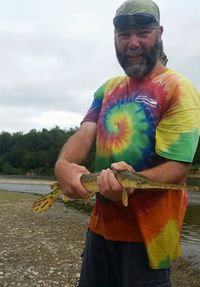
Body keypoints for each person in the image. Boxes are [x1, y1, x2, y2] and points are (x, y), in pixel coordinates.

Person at [55, 0, 200, 286]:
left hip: (149, 240)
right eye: (124, 36)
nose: (132, 43)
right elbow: (85, 133)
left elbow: (178, 168)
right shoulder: (108, 88)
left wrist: (128, 182)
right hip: (99, 230)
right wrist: (63, 165)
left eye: (142, 33)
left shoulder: (179, 89)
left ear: (159, 33)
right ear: (115, 39)